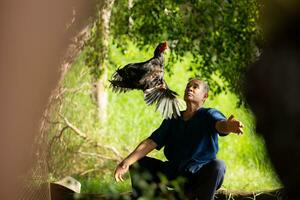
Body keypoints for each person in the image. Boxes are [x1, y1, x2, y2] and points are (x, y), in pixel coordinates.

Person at [114, 78, 244, 200]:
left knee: (218, 165)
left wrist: (229, 126)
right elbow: (151, 142)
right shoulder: (173, 118)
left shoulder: (209, 114)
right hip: (174, 172)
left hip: (198, 175)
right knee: (138, 163)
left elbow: (220, 125)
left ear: (205, 96)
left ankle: (194, 195)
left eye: (195, 87)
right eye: (188, 86)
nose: (190, 89)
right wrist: (126, 162)